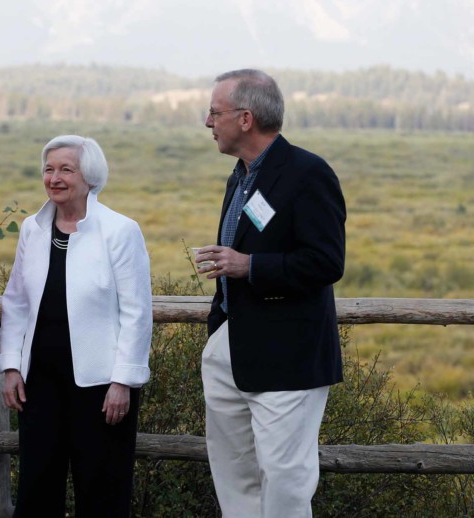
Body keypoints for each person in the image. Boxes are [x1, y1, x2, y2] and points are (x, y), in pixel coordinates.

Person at [195, 69, 346, 517]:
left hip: (289, 357)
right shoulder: (239, 176)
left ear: (245, 118)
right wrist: (216, 331)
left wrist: (249, 265)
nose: (207, 122)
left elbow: (326, 262)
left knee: (284, 477)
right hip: (231, 348)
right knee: (234, 474)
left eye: (214, 112)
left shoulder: (308, 173)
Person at [0, 135, 152, 517]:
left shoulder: (120, 230)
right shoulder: (32, 228)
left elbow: (137, 312)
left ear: (90, 177)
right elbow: (15, 301)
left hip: (100, 386)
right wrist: (11, 366)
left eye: (66, 169)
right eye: (49, 169)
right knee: (36, 488)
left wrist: (123, 381)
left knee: (102, 491)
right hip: (39, 383)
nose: (54, 178)